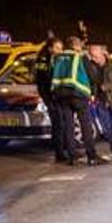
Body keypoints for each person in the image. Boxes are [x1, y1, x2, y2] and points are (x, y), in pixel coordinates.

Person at [51, 35, 100, 166]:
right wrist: (93, 92)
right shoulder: (80, 56)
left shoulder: (58, 58)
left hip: (61, 95)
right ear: (76, 46)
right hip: (78, 94)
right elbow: (92, 76)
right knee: (85, 124)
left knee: (69, 126)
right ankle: (91, 156)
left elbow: (52, 75)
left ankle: (72, 157)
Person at [34, 34, 66, 162]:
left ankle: (65, 150)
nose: (60, 51)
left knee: (62, 124)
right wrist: (48, 101)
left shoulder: (56, 59)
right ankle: (60, 153)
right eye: (57, 48)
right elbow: (42, 83)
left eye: (61, 48)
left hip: (58, 97)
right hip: (52, 98)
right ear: (50, 48)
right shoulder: (43, 61)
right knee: (58, 125)